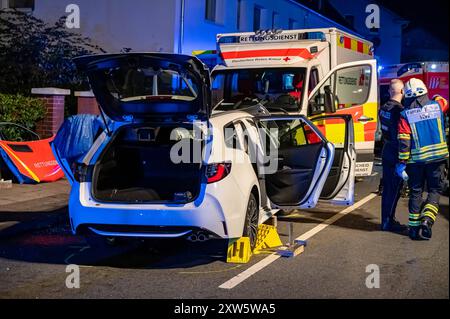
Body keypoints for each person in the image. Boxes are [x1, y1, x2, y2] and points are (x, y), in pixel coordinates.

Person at [396, 78, 449, 240]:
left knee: (416, 192)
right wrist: (433, 97)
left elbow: (404, 141)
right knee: (434, 190)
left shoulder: (405, 115)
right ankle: (427, 220)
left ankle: (413, 229)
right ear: (425, 91)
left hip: (416, 163)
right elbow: (443, 100)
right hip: (437, 160)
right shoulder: (437, 106)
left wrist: (401, 163)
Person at [379, 79, 407, 232]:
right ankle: (388, 222)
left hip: (387, 149)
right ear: (402, 92)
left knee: (388, 188)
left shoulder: (383, 108)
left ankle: (387, 220)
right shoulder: (399, 110)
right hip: (396, 151)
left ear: (390, 91)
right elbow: (400, 136)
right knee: (394, 188)